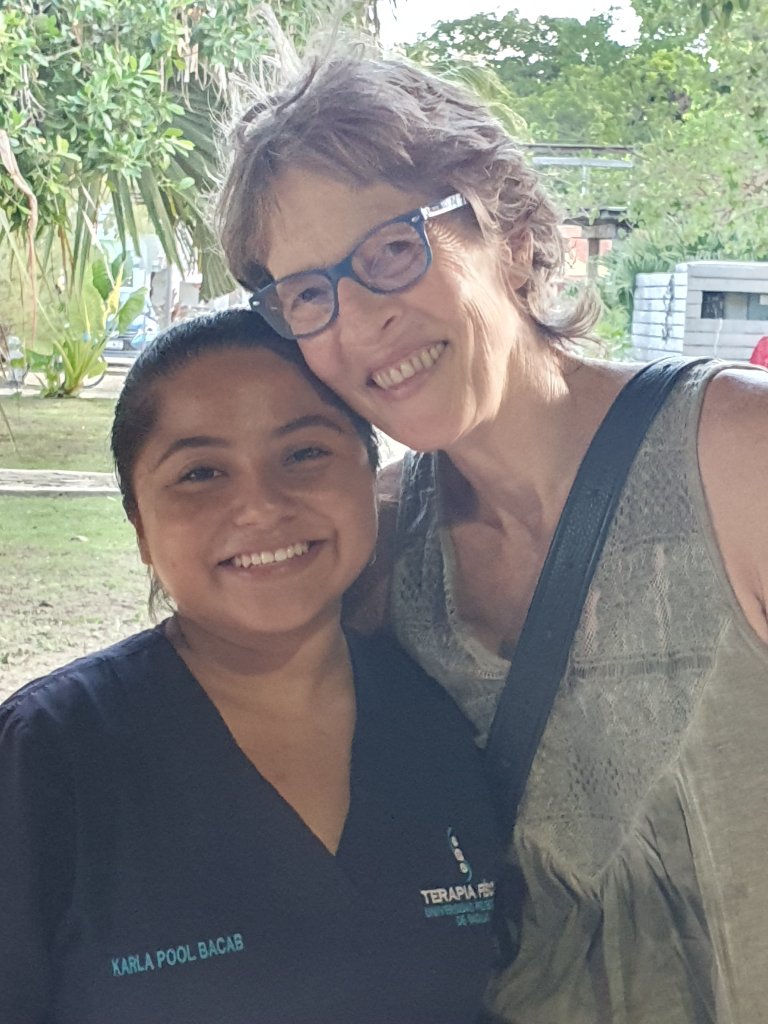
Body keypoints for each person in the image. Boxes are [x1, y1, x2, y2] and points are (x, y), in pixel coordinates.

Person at [217, 48, 768, 1024]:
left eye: (393, 250)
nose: (361, 321)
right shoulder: (378, 551)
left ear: (509, 232)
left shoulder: (735, 459)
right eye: (308, 293)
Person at [0, 309, 501, 1024]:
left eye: (304, 453)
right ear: (140, 527)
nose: (262, 507)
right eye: (201, 472)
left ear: (371, 475)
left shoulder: (444, 721)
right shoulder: (47, 756)